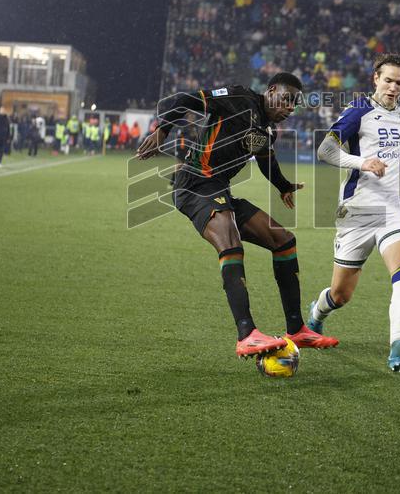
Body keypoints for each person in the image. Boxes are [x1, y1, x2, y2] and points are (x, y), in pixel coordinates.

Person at [136, 73, 338, 358]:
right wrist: (162, 130)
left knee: (283, 240)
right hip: (194, 185)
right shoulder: (239, 98)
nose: (291, 107)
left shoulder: (267, 131)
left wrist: (283, 186)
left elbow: (267, 162)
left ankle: (297, 330)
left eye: (295, 104)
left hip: (220, 190)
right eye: (287, 99)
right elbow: (182, 100)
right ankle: (247, 334)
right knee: (230, 241)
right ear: (270, 91)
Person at [307, 54, 400, 372]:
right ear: (376, 78)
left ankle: (397, 345)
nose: (394, 87)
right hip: (357, 211)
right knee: (340, 295)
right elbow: (325, 150)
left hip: (395, 210)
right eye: (389, 80)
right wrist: (361, 162)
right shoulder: (359, 111)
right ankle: (316, 314)